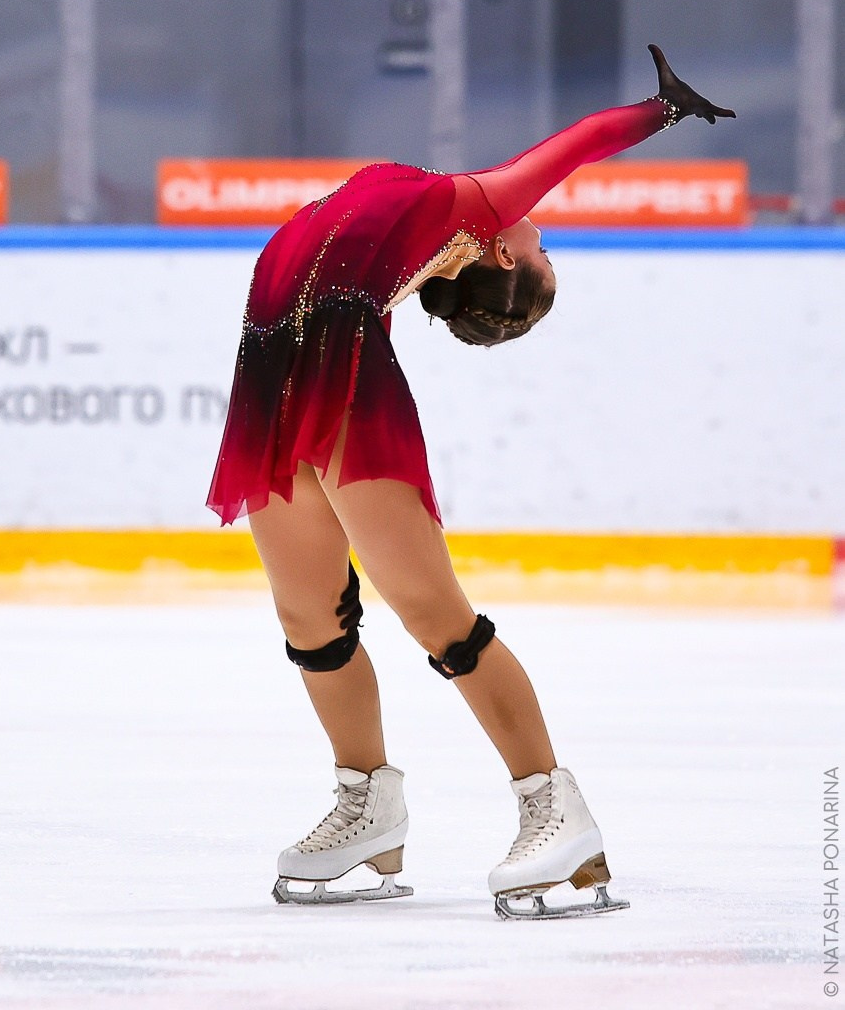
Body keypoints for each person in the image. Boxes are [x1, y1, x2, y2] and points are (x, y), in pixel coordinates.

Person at [207, 45, 734, 918]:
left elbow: (573, 147)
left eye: (543, 249)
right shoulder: (443, 231)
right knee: (309, 622)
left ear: (505, 257)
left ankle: (555, 811)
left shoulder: (475, 209)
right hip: (271, 370)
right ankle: (368, 806)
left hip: (337, 375)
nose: (539, 229)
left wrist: (663, 109)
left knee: (434, 615)